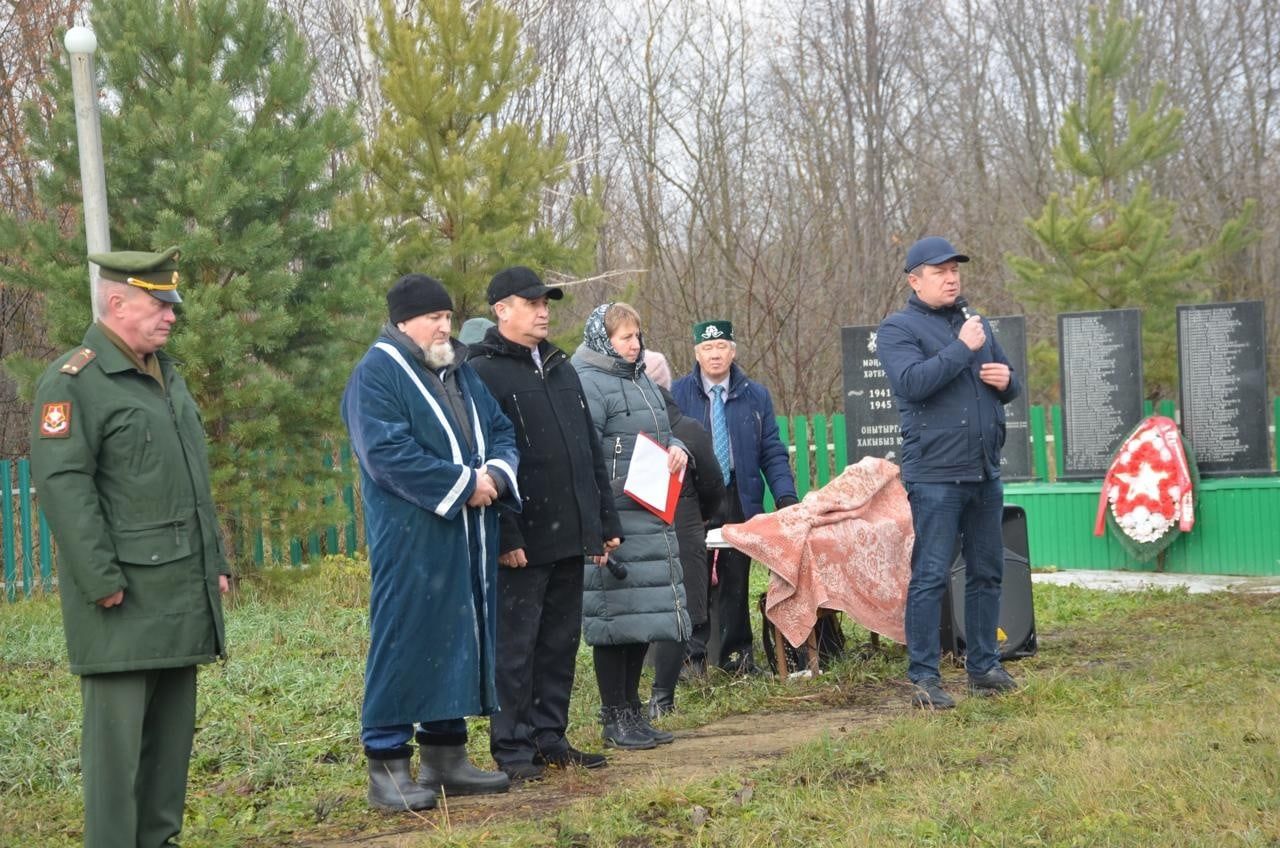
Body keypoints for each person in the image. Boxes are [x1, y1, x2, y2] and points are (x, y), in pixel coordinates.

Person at [30, 247, 230, 848]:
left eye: (173, 304)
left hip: (179, 589)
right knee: (117, 750)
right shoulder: (75, 381)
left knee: (170, 740)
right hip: (122, 596)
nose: (172, 315)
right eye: (159, 303)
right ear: (116, 302)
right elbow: (64, 488)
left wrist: (213, 563)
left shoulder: (167, 376)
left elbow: (193, 481)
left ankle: (159, 840)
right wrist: (100, 578)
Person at [341, 273, 520, 810]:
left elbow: (501, 430)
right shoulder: (377, 373)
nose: (444, 326)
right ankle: (387, 765)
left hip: (468, 534)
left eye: (447, 316)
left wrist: (495, 474)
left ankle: (445, 757)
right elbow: (386, 455)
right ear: (402, 322)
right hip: (412, 536)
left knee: (455, 637)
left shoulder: (457, 371)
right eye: (432, 318)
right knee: (404, 639)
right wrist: (465, 485)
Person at [467, 266, 622, 781]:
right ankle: (511, 747)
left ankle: (549, 736)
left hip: (570, 531)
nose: (542, 310)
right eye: (531, 302)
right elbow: (484, 458)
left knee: (559, 641)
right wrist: (505, 535)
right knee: (516, 647)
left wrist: (601, 519)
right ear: (501, 309)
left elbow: (586, 450)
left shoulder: (560, 366)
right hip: (522, 538)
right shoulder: (483, 372)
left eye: (546, 302)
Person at [875, 236, 1022, 709]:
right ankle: (923, 678)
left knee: (987, 571)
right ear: (915, 280)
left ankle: (983, 666)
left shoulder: (972, 321)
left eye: (955, 269)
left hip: (982, 469)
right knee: (932, 574)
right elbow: (913, 383)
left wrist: (1008, 383)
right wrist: (962, 349)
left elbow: (1004, 378)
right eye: (940, 271)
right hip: (935, 474)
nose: (952, 277)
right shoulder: (898, 329)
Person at [572, 303, 691, 749]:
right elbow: (585, 455)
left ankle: (634, 713)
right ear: (604, 339)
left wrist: (678, 447)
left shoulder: (642, 379)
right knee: (613, 619)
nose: (635, 344)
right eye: (625, 337)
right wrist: (598, 523)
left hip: (652, 514)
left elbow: (663, 432)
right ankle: (613, 714)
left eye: (637, 336)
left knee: (643, 620)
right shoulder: (587, 381)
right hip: (615, 517)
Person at [671, 320, 799, 676]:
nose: (715, 354)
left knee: (735, 577)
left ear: (733, 350)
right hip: (694, 500)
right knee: (693, 577)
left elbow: (772, 451)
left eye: (722, 347)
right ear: (697, 353)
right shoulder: (678, 394)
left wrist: (786, 496)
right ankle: (691, 659)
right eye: (707, 349)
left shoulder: (755, 395)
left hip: (740, 495)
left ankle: (737, 658)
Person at [642, 350, 726, 717]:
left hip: (644, 535)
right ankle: (679, 682)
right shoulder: (689, 429)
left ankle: (649, 686)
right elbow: (713, 485)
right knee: (686, 606)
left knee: (655, 606)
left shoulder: (632, 432)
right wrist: (699, 516)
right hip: (686, 530)